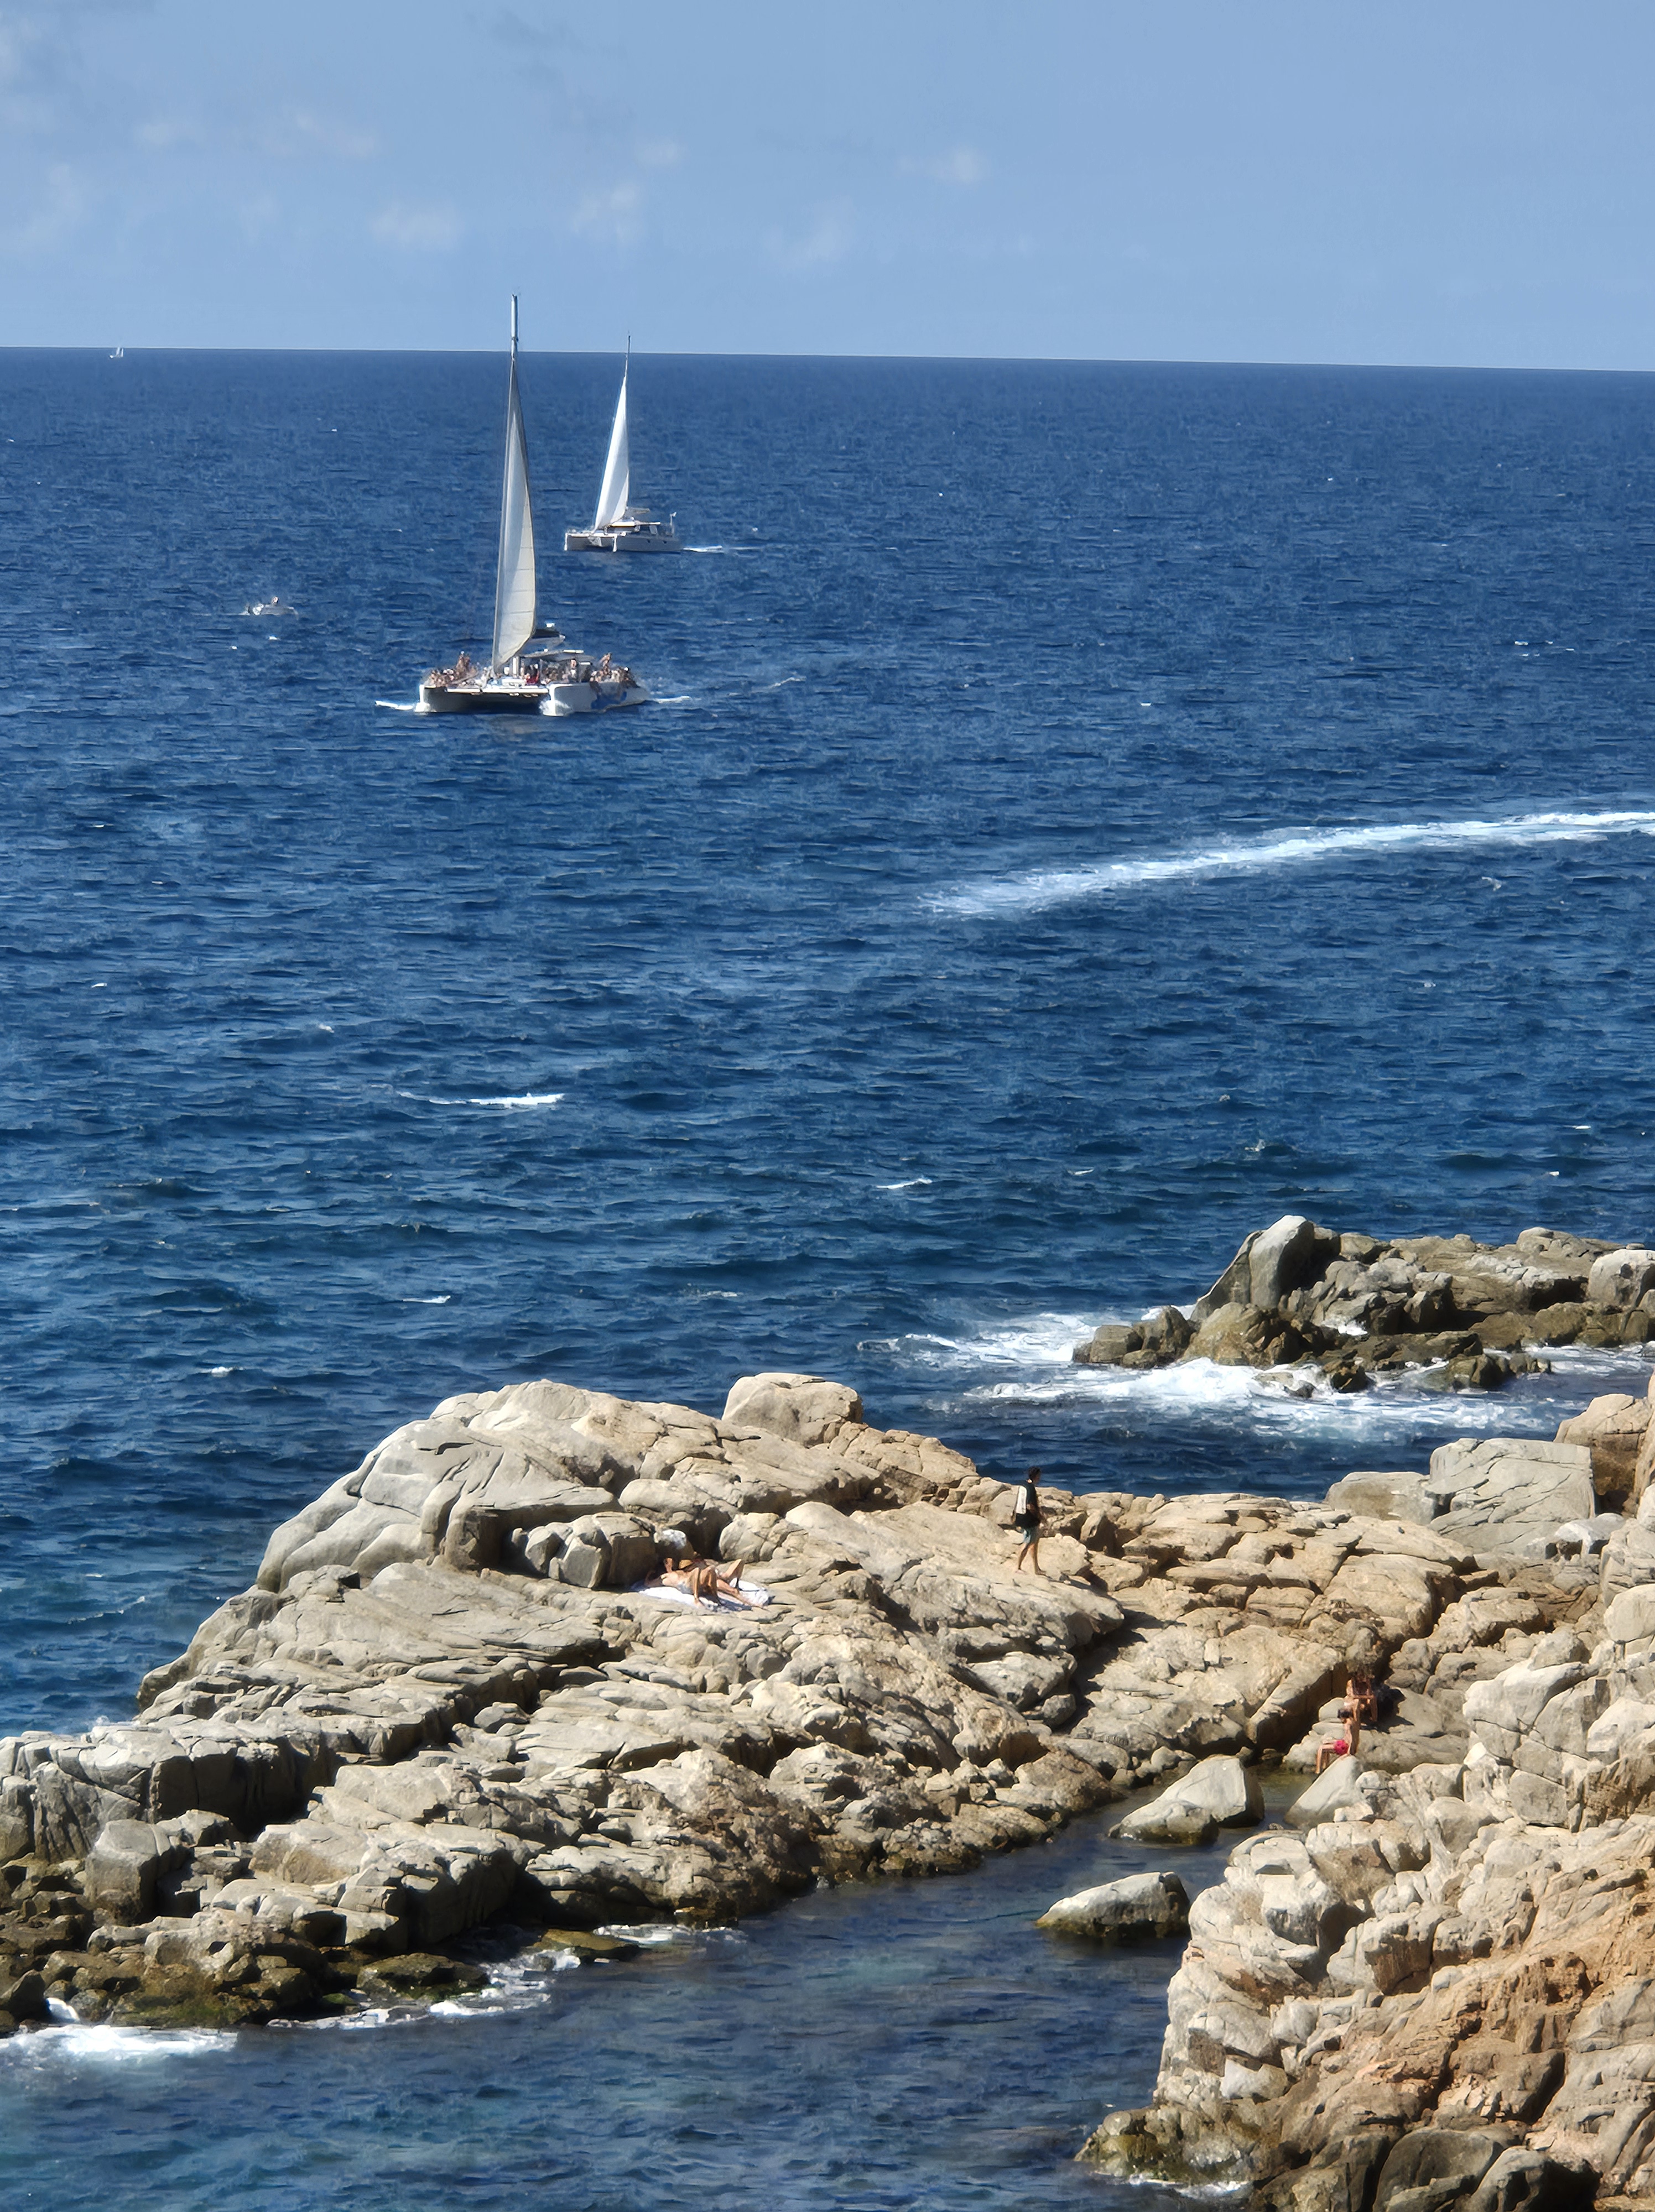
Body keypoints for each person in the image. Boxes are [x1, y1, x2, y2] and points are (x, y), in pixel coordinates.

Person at [1012, 1465, 1044, 1574]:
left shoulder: (1023, 1485)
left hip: (1020, 1517)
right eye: (1039, 1476)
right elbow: (1030, 1506)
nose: (1040, 1478)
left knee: (1033, 1543)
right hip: (1029, 1520)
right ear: (1036, 1476)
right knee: (1028, 1543)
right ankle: (1018, 1567)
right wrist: (1040, 1517)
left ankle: (1036, 1568)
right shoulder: (1031, 1488)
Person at [1315, 1706, 1361, 1775]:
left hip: (1345, 1747)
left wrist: (1348, 1753)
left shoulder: (1348, 1724)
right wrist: (1334, 1741)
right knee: (1326, 1744)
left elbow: (1352, 1739)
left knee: (1321, 1748)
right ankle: (1325, 1767)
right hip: (1344, 1744)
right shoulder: (1352, 1721)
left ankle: (1318, 1771)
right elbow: (1348, 1738)